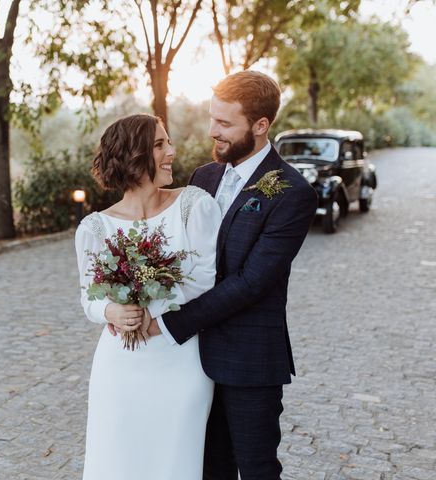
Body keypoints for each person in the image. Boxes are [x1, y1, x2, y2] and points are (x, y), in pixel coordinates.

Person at [145, 71, 318, 479]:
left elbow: (252, 283)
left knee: (257, 468)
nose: (212, 132)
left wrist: (168, 324)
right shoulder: (202, 178)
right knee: (207, 467)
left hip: (249, 360)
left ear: (261, 126)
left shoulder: (293, 193)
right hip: (190, 362)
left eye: (224, 123)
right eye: (211, 119)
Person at [74, 113, 222, 480]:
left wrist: (153, 303)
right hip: (120, 362)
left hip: (181, 358)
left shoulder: (194, 205)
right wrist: (112, 310)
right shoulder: (95, 227)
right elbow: (88, 298)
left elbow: (207, 279)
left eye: (168, 142)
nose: (171, 151)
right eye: (159, 145)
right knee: (118, 460)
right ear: (131, 155)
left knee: (177, 459)